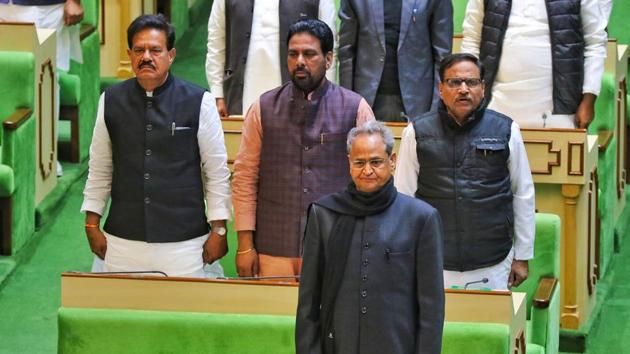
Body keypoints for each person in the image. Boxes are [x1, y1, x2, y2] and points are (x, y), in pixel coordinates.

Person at [81, 14, 231, 278]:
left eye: (155, 50)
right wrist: (92, 223)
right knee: (122, 317)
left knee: (185, 317)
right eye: (139, 50)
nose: (146, 57)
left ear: (171, 55)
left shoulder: (199, 101)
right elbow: (100, 167)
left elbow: (217, 173)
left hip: (185, 242)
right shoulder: (111, 100)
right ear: (129, 54)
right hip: (123, 238)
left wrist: (218, 229)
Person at [231, 19, 375, 278]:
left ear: (329, 59)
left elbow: (372, 180)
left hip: (336, 246)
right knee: (272, 319)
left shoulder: (356, 108)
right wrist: (244, 245)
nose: (299, 61)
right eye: (293, 54)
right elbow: (244, 178)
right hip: (273, 247)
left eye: (309, 54)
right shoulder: (262, 108)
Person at [296, 120, 445, 354]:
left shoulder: (421, 219)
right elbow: (308, 303)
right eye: (359, 162)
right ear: (349, 163)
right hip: (338, 345)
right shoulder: (324, 214)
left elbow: (431, 309)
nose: (367, 170)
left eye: (376, 162)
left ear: (392, 161)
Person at [395, 53, 535, 290]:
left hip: (493, 258)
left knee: (490, 326)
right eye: (454, 82)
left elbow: (523, 193)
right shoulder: (416, 132)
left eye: (471, 82)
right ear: (441, 88)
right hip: (434, 259)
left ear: (482, 87)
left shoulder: (506, 129)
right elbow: (403, 198)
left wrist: (522, 256)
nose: (463, 89)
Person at [461, 0, 607, 129]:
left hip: (560, 110)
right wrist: (471, 91)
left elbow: (595, 44)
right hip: (496, 104)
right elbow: (472, 40)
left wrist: (589, 99)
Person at [205, 0, 337, 117]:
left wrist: (325, 97)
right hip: (239, 101)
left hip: (301, 100)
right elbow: (216, 44)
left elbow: (329, 48)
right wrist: (218, 95)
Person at [0, 0, 84, 176]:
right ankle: (7, 160)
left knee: (47, 78)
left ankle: (46, 159)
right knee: (6, 78)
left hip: (46, 8)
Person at [338, 0, 453, 122]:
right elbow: (346, 53)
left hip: (420, 102)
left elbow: (442, 58)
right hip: (366, 99)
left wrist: (436, 110)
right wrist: (348, 105)